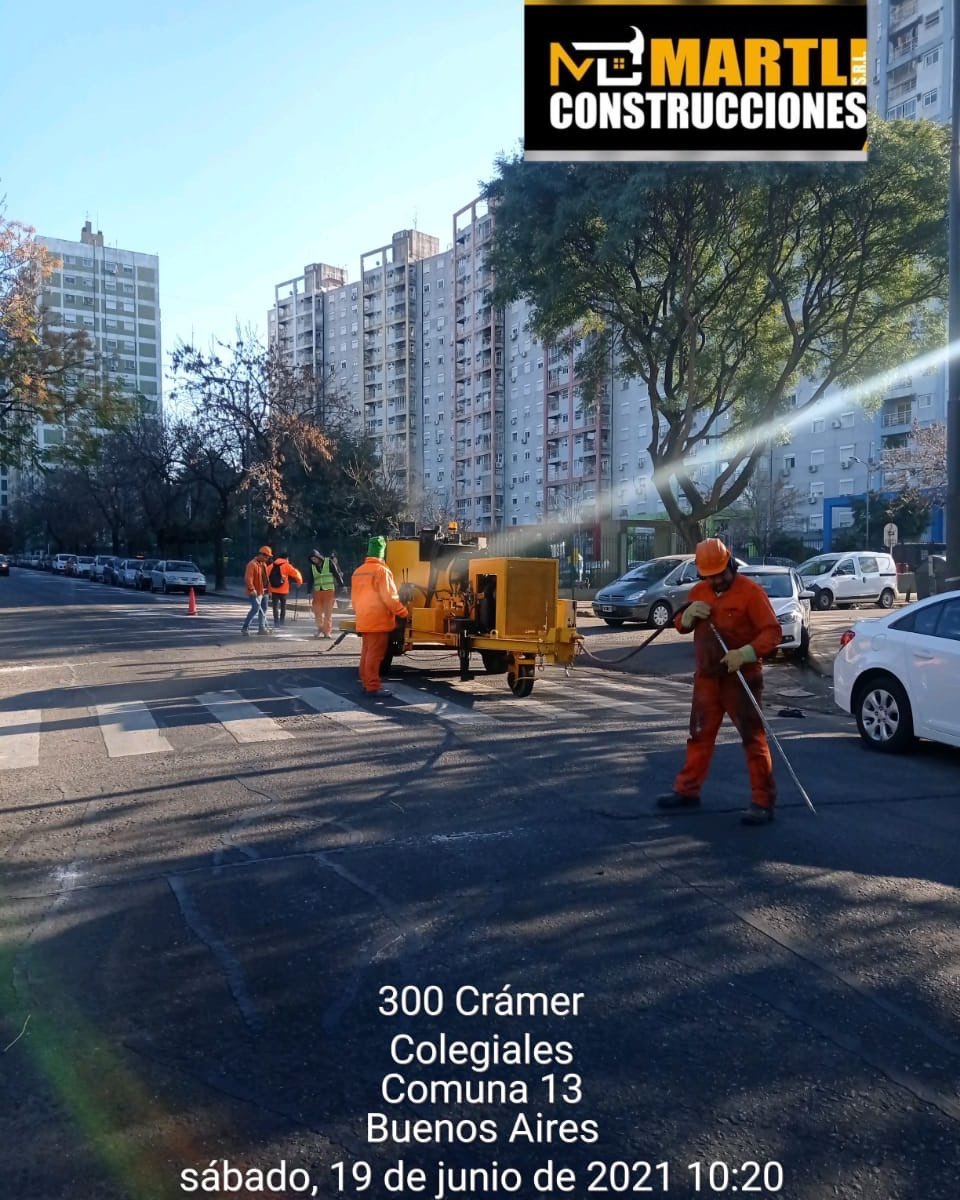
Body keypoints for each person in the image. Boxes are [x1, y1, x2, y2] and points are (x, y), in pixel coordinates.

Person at [655, 538, 783, 826]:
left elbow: (772, 633)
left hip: (741, 678)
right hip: (707, 678)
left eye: (719, 574)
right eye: (709, 576)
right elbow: (680, 626)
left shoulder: (752, 593)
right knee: (699, 737)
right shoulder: (700, 591)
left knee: (753, 740)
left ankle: (763, 802)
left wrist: (746, 652)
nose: (715, 580)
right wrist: (685, 617)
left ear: (731, 564)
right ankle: (687, 791)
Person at [350, 535, 408, 696]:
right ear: (382, 554)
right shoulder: (381, 571)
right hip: (378, 619)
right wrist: (402, 612)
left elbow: (354, 599)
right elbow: (390, 597)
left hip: (364, 618)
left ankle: (366, 682)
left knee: (367, 653)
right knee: (375, 656)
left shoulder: (358, 571)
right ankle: (372, 686)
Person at [308, 548, 345, 639]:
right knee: (317, 612)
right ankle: (320, 628)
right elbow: (310, 580)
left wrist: (342, 585)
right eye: (312, 559)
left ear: (318, 557)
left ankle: (327, 632)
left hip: (329, 591)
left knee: (328, 612)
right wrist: (308, 591)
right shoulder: (312, 567)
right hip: (317, 592)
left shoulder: (329, 562)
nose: (314, 561)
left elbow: (336, 574)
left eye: (315, 558)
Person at [241, 546, 273, 636]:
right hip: (256, 591)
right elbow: (248, 578)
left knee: (264, 609)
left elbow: (266, 579)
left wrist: (269, 591)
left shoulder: (264, 564)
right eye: (267, 557)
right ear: (262, 555)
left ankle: (262, 629)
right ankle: (245, 628)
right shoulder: (252, 564)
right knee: (255, 609)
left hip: (264, 591)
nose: (268, 559)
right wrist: (251, 589)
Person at [266, 550, 303, 627]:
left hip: (273, 589)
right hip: (283, 590)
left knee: (275, 606)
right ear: (286, 558)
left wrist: (267, 588)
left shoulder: (271, 566)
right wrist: (299, 582)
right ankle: (282, 622)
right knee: (283, 606)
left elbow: (266, 577)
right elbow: (295, 573)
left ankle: (276, 623)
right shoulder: (287, 565)